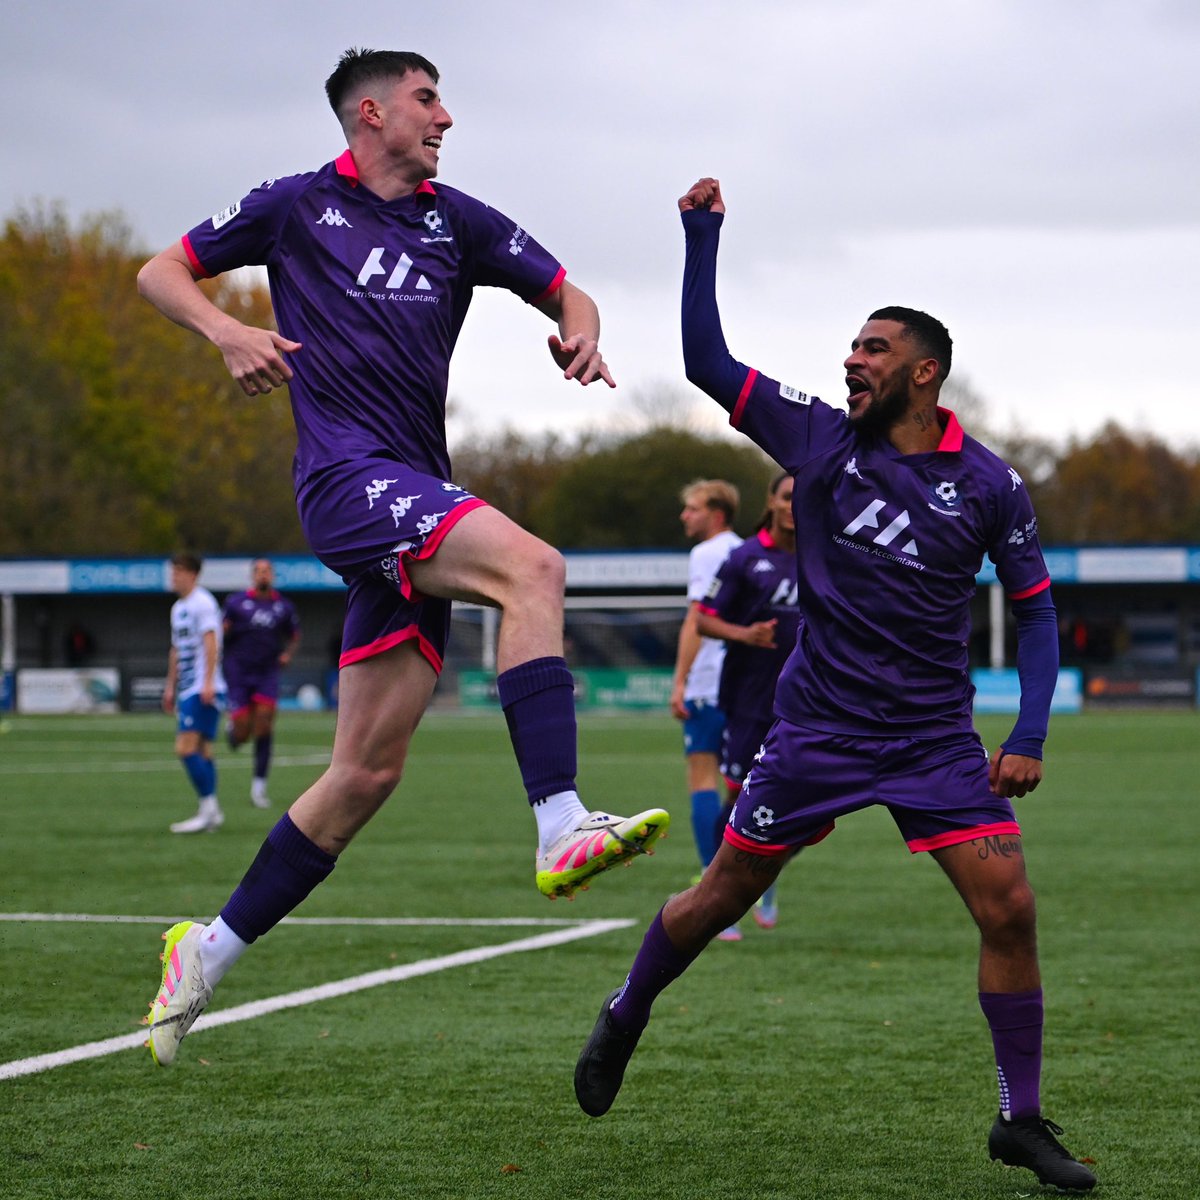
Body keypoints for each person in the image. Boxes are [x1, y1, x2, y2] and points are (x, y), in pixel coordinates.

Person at [136, 48, 668, 1067]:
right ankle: (560, 822)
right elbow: (160, 269)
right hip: (347, 482)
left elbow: (569, 290)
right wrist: (222, 329)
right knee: (535, 569)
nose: (447, 118)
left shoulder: (455, 219)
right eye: (429, 100)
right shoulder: (293, 207)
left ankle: (205, 951)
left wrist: (578, 332)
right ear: (368, 113)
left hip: (410, 489)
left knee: (362, 773)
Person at [574, 178, 1096, 1193]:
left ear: (925, 372)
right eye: (851, 347)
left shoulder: (991, 484)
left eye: (873, 349)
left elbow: (1034, 610)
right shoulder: (815, 438)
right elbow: (704, 363)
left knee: (1012, 909)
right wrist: (701, 237)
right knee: (722, 893)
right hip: (815, 731)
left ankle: (1020, 1117)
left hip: (936, 742)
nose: (851, 362)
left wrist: (1029, 728)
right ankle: (626, 1010)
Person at [694, 471, 800, 937]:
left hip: (809, 702)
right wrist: (746, 634)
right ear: (772, 502)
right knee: (740, 796)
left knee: (811, 804)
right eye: (787, 497)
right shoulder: (745, 558)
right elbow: (703, 621)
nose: (796, 506)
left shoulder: (827, 555)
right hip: (750, 697)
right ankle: (719, 895)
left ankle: (764, 874)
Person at [669, 480, 741, 900]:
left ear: (716, 513)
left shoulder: (706, 553)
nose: (685, 516)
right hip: (748, 685)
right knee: (749, 782)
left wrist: (679, 680)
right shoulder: (750, 550)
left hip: (709, 683)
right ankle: (760, 878)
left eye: (692, 508)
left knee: (702, 778)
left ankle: (713, 882)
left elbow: (698, 620)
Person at [222, 558, 302, 808]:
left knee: (265, 724)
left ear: (273, 576)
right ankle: (233, 733)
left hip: (267, 672)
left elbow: (295, 635)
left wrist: (288, 654)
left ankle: (259, 787)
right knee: (244, 730)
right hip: (239, 672)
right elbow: (221, 630)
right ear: (252, 576)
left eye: (267, 571)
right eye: (259, 571)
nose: (263, 575)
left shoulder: (283, 607)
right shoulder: (236, 603)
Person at [162, 553, 227, 834]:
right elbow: (176, 649)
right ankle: (211, 812)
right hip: (188, 687)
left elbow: (211, 643)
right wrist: (169, 685)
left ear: (193, 575)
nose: (174, 576)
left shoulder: (203, 602)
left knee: (185, 748)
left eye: (179, 571)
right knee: (202, 749)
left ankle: (208, 809)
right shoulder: (178, 608)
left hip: (202, 688)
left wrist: (209, 682)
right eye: (172, 571)